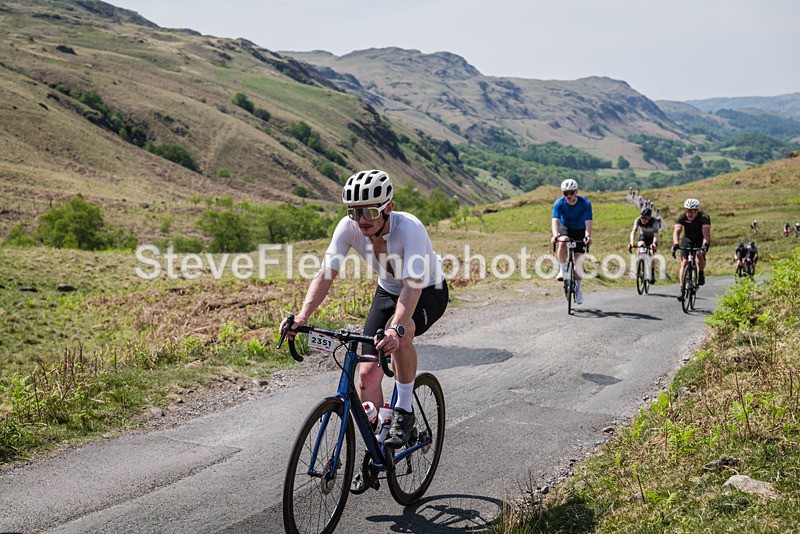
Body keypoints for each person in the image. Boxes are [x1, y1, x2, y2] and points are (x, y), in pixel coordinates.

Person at [279, 169, 448, 451]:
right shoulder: (349, 228)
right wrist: (302, 316)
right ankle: (377, 449)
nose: (361, 221)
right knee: (367, 374)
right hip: (388, 290)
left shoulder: (410, 229)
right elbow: (326, 273)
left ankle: (404, 411)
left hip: (428, 290)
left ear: (388, 208)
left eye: (369, 212)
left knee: (402, 335)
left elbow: (412, 287)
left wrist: (397, 327)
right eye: (354, 212)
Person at [551, 178, 593, 305]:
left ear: (576, 192)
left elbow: (588, 222)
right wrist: (555, 235)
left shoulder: (585, 203)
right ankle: (562, 270)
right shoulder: (559, 203)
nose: (568, 196)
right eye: (565, 193)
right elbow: (555, 220)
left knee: (578, 261)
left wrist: (587, 236)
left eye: (571, 193)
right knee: (562, 242)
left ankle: (578, 289)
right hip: (566, 228)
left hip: (580, 229)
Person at [671, 198, 711, 300]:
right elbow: (677, 231)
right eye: (688, 210)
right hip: (688, 239)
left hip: (700, 239)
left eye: (692, 211)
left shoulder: (704, 217)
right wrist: (675, 243)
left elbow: (706, 235)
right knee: (684, 263)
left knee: (699, 255)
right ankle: (682, 289)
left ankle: (701, 273)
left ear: (697, 210)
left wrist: (704, 245)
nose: (690, 213)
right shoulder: (682, 217)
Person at [628, 207, 659, 283]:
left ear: (649, 217)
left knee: (651, 253)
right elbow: (633, 232)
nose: (643, 220)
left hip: (652, 238)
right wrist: (631, 242)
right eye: (642, 217)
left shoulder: (654, 221)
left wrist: (654, 243)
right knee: (640, 245)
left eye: (645, 218)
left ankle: (652, 273)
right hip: (643, 236)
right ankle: (639, 264)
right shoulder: (638, 220)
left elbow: (656, 235)